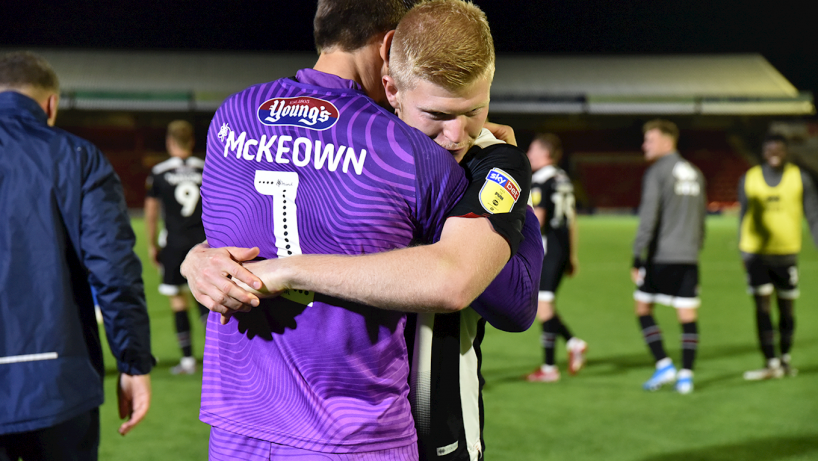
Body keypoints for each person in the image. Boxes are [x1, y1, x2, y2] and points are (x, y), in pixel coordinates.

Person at [184, 1, 539, 459]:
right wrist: (505, 173)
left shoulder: (233, 114)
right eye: (438, 114)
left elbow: (239, 241)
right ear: (393, 51)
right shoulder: (407, 154)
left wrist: (196, 257)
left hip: (239, 425)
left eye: (471, 111)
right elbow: (510, 298)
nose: (456, 135)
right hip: (360, 433)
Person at [0, 51, 153, 460]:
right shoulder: (78, 157)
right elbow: (114, 270)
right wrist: (134, 362)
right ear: (51, 104)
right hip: (59, 385)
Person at [632, 119, 706, 395]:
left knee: (642, 308)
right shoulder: (695, 172)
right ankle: (686, 375)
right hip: (688, 256)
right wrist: (695, 249)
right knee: (687, 314)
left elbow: (648, 219)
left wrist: (637, 256)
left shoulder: (657, 172)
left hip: (661, 256)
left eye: (649, 140)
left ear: (667, 141)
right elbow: (701, 220)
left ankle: (664, 365)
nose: (644, 145)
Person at [738, 133, 818, 380]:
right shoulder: (749, 179)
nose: (775, 153)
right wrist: (744, 250)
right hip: (757, 254)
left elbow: (813, 215)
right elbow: (744, 215)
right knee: (762, 307)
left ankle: (784, 359)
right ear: (763, 152)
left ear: (786, 152)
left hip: (786, 254)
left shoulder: (800, 178)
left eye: (779, 149)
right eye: (770, 149)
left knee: (786, 309)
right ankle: (770, 361)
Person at [144, 120, 209, 375]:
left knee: (177, 300)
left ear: (170, 142)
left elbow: (150, 213)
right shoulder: (206, 168)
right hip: (203, 244)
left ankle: (187, 361)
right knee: (206, 302)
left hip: (173, 244)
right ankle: (220, 359)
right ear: (191, 142)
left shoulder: (159, 172)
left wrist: (151, 245)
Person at [524, 133, 587, 383]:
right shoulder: (563, 178)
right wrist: (572, 255)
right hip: (561, 250)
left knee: (543, 307)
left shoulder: (541, 180)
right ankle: (573, 344)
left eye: (533, 149)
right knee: (545, 305)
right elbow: (572, 220)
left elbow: (537, 221)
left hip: (548, 251)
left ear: (545, 153)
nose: (529, 154)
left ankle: (550, 367)